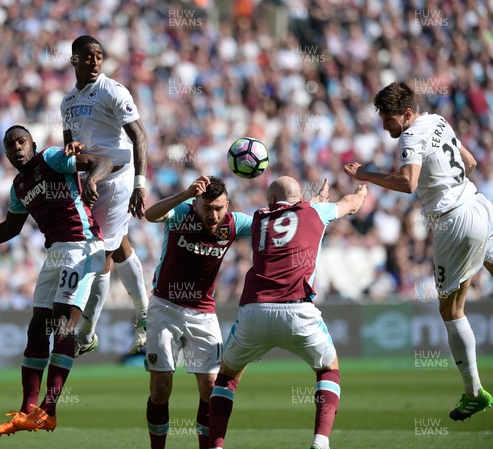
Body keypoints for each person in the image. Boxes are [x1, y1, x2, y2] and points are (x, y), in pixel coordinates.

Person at [0, 125, 112, 435]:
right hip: (55, 253)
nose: (16, 147)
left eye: (21, 141)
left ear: (32, 144)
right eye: (10, 144)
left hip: (81, 245)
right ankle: (27, 410)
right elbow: (10, 229)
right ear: (6, 153)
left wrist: (94, 180)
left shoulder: (51, 159)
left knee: (62, 324)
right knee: (37, 326)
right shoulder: (19, 186)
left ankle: (49, 410)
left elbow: (104, 161)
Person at [344, 81, 493, 421]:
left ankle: (474, 393)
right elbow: (468, 162)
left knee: (451, 310)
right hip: (480, 204)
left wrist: (367, 175)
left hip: (454, 220)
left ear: (407, 114)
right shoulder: (439, 120)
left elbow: (409, 183)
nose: (384, 125)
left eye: (388, 119)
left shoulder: (411, 136)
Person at [208, 177, 367, 449]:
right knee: (328, 369)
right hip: (298, 310)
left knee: (227, 377)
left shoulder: (258, 218)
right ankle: (320, 441)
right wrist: (362, 189)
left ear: (271, 200)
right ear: (300, 200)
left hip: (255, 310)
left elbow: (287, 213)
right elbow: (350, 205)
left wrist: (313, 202)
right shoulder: (315, 213)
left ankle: (216, 446)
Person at [143, 176, 252, 449]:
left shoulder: (235, 223)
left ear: (227, 206)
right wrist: (184, 194)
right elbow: (150, 214)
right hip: (165, 306)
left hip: (203, 312)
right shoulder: (182, 213)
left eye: (219, 208)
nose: (213, 215)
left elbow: (272, 223)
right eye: (207, 208)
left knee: (210, 385)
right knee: (160, 388)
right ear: (196, 204)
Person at [62, 34, 149, 355]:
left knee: (101, 254)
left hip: (117, 179)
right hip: (90, 181)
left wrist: (140, 183)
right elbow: (72, 146)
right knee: (118, 245)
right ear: (74, 60)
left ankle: (86, 333)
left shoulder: (112, 91)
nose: (94, 61)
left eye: (99, 56)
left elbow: (139, 135)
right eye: (87, 56)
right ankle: (144, 313)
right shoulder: (67, 102)